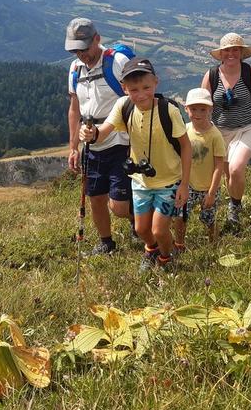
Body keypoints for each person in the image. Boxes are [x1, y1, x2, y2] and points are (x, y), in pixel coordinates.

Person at [79, 57, 191, 273]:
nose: (141, 95)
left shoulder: (169, 111)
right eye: (134, 89)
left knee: (159, 229)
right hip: (140, 180)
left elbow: (186, 147)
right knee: (141, 229)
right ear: (124, 89)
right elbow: (103, 134)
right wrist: (91, 135)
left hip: (168, 181)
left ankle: (166, 259)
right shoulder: (124, 106)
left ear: (156, 82)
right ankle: (151, 250)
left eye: (146, 87)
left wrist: (184, 184)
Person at [66, 17, 134, 256]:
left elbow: (137, 97)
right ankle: (106, 242)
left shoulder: (117, 62)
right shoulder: (75, 70)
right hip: (91, 145)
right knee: (95, 197)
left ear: (97, 39)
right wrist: (73, 147)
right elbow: (74, 109)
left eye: (84, 48)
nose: (80, 54)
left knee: (118, 207)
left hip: (121, 142)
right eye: (75, 49)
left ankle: (137, 215)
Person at [201, 33, 251, 231]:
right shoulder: (212, 75)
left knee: (236, 168)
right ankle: (233, 201)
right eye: (227, 50)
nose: (231, 53)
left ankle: (235, 206)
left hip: (247, 128)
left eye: (235, 50)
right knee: (227, 174)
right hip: (219, 132)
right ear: (221, 54)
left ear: (241, 53)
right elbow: (203, 106)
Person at [174, 87, 226, 247]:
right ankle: (179, 245)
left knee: (208, 218)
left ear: (210, 109)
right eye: (193, 109)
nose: (198, 113)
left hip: (207, 187)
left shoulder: (215, 135)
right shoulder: (185, 131)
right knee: (180, 216)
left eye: (203, 109)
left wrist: (211, 193)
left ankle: (214, 243)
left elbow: (219, 166)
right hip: (187, 185)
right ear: (186, 109)